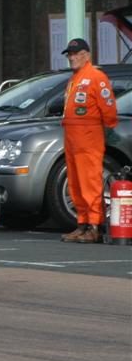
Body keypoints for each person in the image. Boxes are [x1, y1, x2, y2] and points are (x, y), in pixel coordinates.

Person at [60, 38, 118, 243]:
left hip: (88, 138)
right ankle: (83, 224)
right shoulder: (74, 78)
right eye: (70, 55)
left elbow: (108, 106)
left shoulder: (96, 76)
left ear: (87, 55)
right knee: (75, 183)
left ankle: (95, 226)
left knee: (90, 182)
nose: (72, 58)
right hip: (72, 138)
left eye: (76, 54)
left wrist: (109, 127)